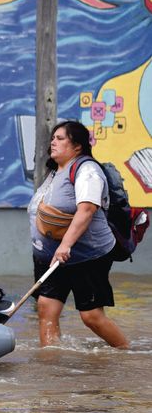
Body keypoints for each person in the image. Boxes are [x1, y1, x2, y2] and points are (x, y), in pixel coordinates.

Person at [28, 120, 128, 348]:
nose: (53, 142)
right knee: (46, 307)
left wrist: (65, 245)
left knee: (91, 316)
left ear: (77, 146)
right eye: (53, 138)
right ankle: (51, 365)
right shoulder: (54, 172)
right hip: (51, 258)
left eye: (60, 138)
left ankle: (126, 355)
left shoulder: (87, 170)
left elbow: (86, 210)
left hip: (86, 256)